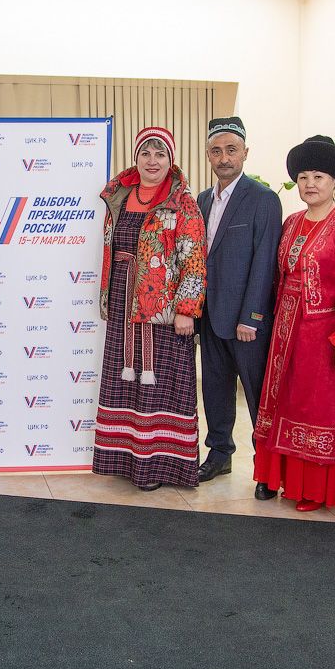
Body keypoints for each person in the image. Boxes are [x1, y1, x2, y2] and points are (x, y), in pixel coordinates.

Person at [253, 135, 335, 511]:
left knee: (316, 408)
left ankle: (315, 489)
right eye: (303, 177)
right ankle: (280, 478)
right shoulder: (291, 222)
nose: (310, 184)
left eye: (318, 176)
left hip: (323, 334)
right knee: (282, 403)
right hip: (286, 329)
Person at [92, 127, 206, 490]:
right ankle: (124, 461)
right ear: (136, 158)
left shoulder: (182, 202)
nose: (152, 161)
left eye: (160, 154)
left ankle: (158, 467)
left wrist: (187, 308)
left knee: (163, 384)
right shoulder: (120, 195)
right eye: (146, 153)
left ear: (171, 160)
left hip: (164, 307)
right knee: (125, 382)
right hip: (123, 300)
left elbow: (193, 258)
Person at [196, 116, 282, 482]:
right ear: (208, 156)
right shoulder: (202, 200)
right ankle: (219, 454)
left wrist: (252, 317)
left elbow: (265, 261)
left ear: (245, 153)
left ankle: (266, 467)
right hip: (210, 316)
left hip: (246, 322)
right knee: (215, 389)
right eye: (216, 151)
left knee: (257, 393)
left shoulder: (263, 199)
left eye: (231, 150)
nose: (224, 158)